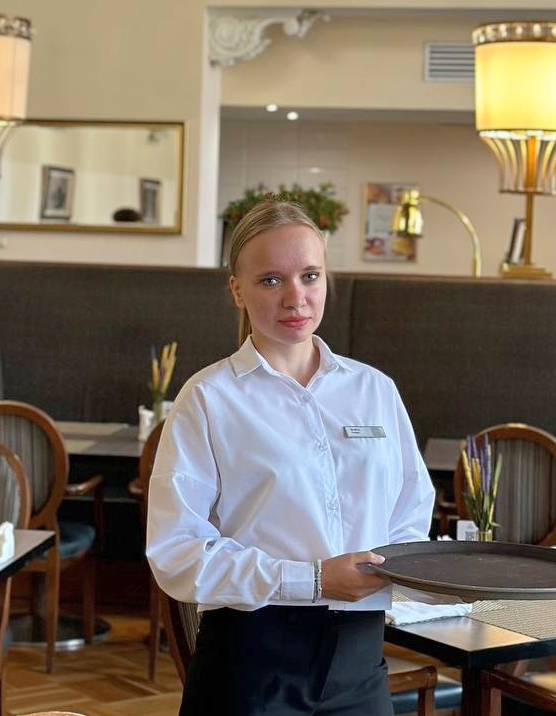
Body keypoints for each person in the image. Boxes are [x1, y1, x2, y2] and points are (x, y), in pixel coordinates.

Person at [146, 199, 435, 716]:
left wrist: (401, 571)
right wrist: (314, 580)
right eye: (271, 280)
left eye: (310, 276)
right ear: (237, 290)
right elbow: (177, 553)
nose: (296, 297)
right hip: (250, 667)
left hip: (361, 662)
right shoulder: (208, 397)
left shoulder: (375, 390)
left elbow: (410, 511)